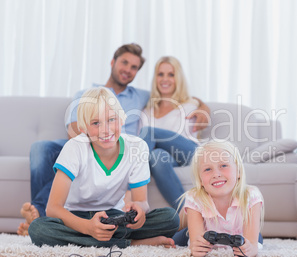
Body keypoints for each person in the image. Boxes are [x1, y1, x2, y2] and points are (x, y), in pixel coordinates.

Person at [17, 43, 210, 235]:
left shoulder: (142, 97)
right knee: (40, 149)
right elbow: (74, 134)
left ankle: (187, 219)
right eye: (124, 62)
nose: (128, 69)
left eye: (134, 67)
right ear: (112, 62)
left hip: (125, 147)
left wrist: (204, 107)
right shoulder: (85, 96)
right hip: (88, 142)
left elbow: (171, 90)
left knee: (147, 144)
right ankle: (40, 213)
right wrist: (91, 147)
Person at [28, 87, 179, 248]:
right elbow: (53, 208)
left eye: (111, 120)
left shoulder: (137, 147)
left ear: (122, 119)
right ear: (83, 129)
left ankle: (101, 239)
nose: (105, 129)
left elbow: (142, 201)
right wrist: (88, 228)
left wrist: (140, 209)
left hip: (113, 216)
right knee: (38, 229)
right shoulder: (75, 147)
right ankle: (132, 243)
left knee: (170, 218)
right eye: (95, 123)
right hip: (76, 218)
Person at [173, 141, 264, 257]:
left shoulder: (251, 195)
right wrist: (196, 247)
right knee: (173, 239)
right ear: (200, 180)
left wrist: (251, 248)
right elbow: (196, 244)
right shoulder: (195, 198)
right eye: (207, 169)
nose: (216, 174)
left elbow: (252, 246)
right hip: (199, 228)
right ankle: (161, 234)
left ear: (238, 171)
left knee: (257, 240)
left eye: (223, 166)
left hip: (240, 232)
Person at [139, 56, 201, 210]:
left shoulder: (189, 105)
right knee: (157, 157)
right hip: (166, 157)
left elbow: (177, 138)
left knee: (148, 132)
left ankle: (132, 175)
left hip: (189, 153)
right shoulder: (146, 112)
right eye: (161, 74)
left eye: (171, 74)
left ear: (178, 78)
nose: (165, 79)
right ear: (155, 78)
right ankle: (186, 214)